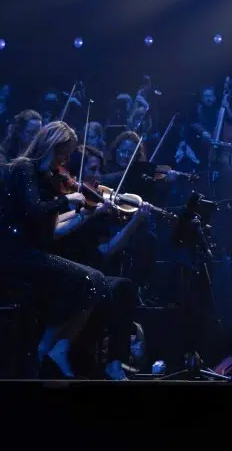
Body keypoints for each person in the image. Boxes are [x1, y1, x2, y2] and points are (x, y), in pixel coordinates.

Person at [0, 121, 119, 378]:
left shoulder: (47, 179)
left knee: (98, 282)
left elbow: (53, 227)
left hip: (33, 253)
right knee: (90, 279)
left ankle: (56, 347)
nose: (65, 160)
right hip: (15, 254)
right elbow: (33, 210)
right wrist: (66, 199)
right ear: (50, 146)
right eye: (63, 152)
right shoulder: (23, 169)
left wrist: (89, 213)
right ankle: (49, 347)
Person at [54, 144, 148, 378]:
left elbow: (104, 251)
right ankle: (109, 362)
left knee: (121, 286)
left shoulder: (96, 205)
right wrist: (88, 213)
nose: (98, 176)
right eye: (93, 169)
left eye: (99, 170)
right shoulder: (71, 202)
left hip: (90, 269)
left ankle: (115, 362)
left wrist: (133, 223)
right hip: (67, 270)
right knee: (118, 287)